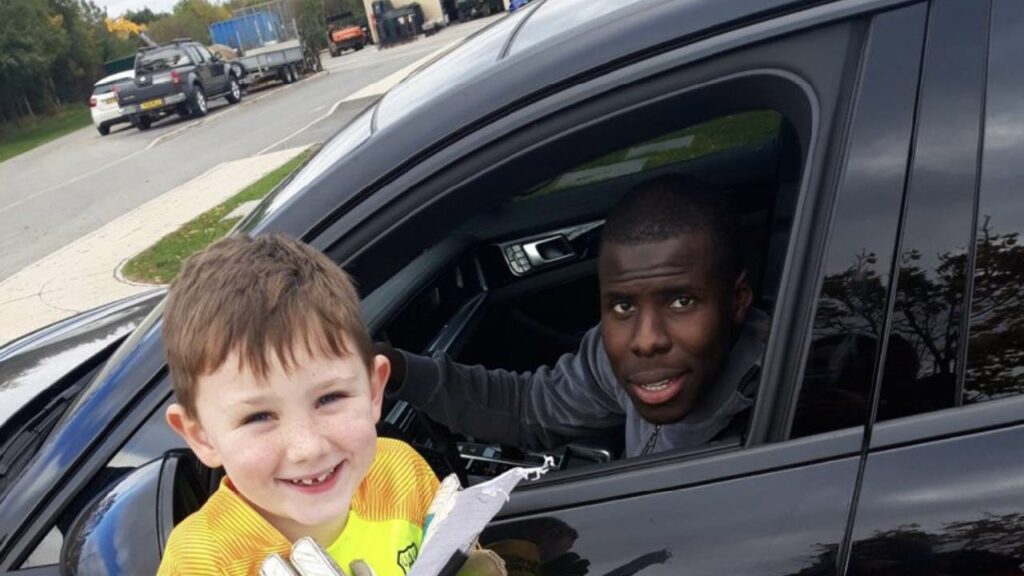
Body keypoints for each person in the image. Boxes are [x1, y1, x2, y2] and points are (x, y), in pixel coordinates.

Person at [381, 175, 769, 458]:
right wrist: (398, 369)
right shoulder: (624, 363)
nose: (646, 339)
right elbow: (529, 409)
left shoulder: (782, 394)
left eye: (681, 302)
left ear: (737, 301)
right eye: (623, 306)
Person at [157, 234, 441, 576]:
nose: (307, 448)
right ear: (201, 436)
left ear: (373, 391)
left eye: (330, 398)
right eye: (258, 416)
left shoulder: (402, 474)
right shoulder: (204, 562)